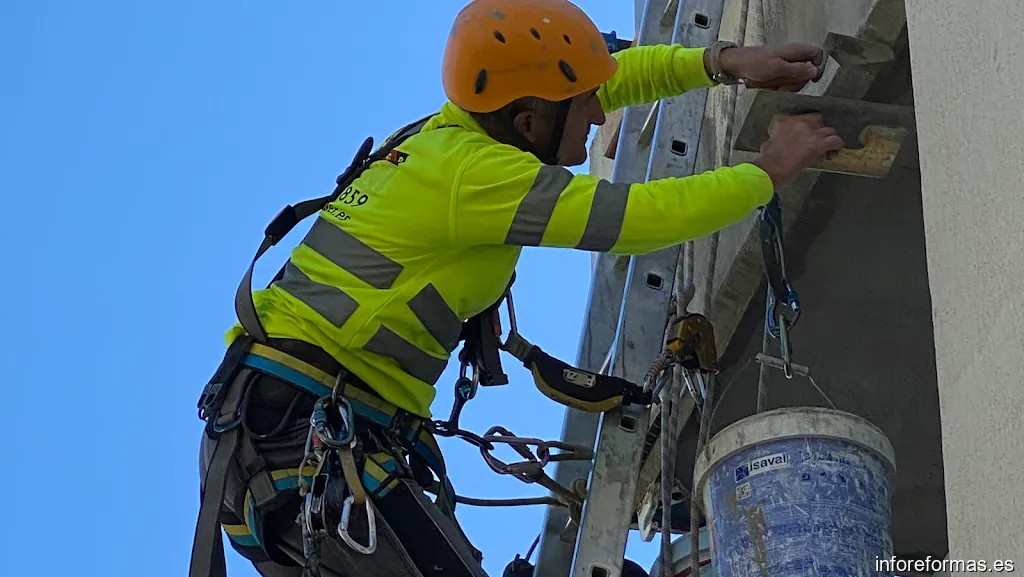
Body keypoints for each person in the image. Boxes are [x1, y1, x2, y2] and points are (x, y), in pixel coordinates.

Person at [189, 0, 845, 576]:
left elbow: (610, 77)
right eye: (583, 105)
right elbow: (641, 219)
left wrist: (723, 61)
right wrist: (770, 167)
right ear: (529, 121)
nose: (597, 114)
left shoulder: (447, 132)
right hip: (299, 436)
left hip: (288, 433)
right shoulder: (478, 175)